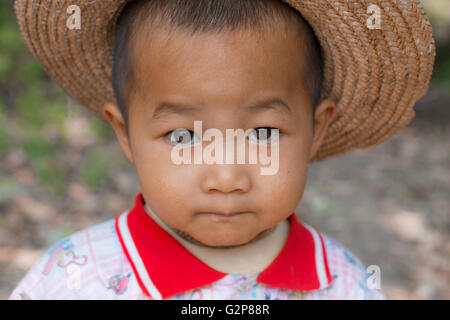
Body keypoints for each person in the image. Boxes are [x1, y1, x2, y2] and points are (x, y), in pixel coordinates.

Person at [10, 0, 435, 299]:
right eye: (183, 137)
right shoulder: (73, 278)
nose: (226, 177)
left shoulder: (344, 283)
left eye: (264, 134)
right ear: (124, 133)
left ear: (316, 129)